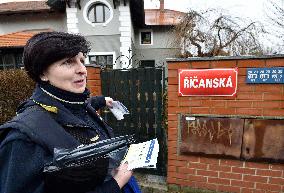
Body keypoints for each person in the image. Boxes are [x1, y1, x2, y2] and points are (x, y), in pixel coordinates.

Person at [0, 31, 133, 193]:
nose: (82, 69)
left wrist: (103, 100)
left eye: (82, 61)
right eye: (69, 62)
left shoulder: (81, 107)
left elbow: (87, 104)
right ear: (42, 73)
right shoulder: (22, 139)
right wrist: (115, 184)